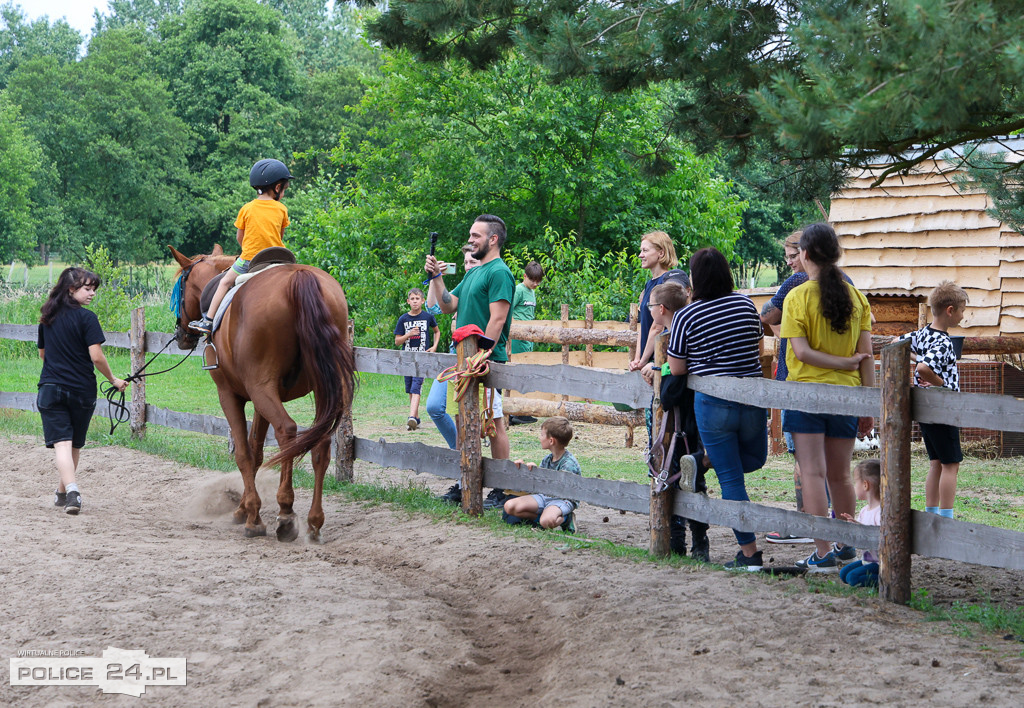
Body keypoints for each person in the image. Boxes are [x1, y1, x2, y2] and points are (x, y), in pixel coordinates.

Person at [780, 222, 875, 573]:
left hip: (807, 395)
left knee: (813, 475)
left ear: (804, 254)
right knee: (840, 476)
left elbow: (801, 354)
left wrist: (840, 362)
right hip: (847, 398)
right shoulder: (858, 298)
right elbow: (867, 359)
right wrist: (869, 404)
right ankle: (847, 546)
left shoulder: (797, 297)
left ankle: (822, 554)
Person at [667, 247, 768, 570]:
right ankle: (748, 550)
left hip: (713, 403)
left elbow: (677, 367)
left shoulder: (686, 315)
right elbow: (760, 347)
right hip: (751, 397)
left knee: (732, 478)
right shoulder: (744, 304)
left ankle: (750, 556)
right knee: (753, 460)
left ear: (695, 279)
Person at [426, 215, 515, 509]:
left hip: (485, 361)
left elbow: (498, 318)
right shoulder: (474, 273)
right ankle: (469, 479)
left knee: (494, 423)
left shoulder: (499, 272)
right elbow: (448, 304)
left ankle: (502, 489)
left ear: (493, 239)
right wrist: (436, 277)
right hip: (466, 360)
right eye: (470, 235)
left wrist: (482, 355)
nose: (470, 240)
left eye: (476, 235)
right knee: (465, 420)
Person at [37, 267, 128, 515]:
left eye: (93, 289)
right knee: (73, 446)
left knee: (64, 445)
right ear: (71, 289)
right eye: (87, 289)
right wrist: (113, 379)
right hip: (81, 390)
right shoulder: (87, 318)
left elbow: (42, 354)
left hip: (50, 389)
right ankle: (73, 491)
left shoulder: (47, 317)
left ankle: (63, 493)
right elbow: (96, 356)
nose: (92, 294)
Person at [641, 281, 710, 562]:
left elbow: (675, 384)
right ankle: (686, 540)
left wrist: (659, 371)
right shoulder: (685, 329)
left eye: (650, 306)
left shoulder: (678, 336)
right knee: (680, 473)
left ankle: (694, 539)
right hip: (685, 418)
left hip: (683, 420)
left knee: (685, 475)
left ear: (661, 308)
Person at [190, 158, 292, 333]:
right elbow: (280, 236)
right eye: (284, 189)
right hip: (278, 259)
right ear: (277, 188)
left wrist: (249, 249)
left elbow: (240, 237)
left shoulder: (246, 209)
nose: (283, 193)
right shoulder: (281, 209)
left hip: (250, 260)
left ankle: (208, 320)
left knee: (224, 282)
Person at [897, 281, 968, 518]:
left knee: (936, 462)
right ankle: (946, 518)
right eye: (962, 310)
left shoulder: (922, 334)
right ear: (950, 310)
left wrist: (919, 357)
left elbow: (896, 343)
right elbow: (924, 369)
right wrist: (943, 385)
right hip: (942, 408)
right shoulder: (944, 341)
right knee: (951, 464)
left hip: (925, 408)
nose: (962, 315)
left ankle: (932, 512)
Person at [426, 245, 478, 454]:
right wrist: (434, 277)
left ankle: (468, 458)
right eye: (465, 263)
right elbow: (433, 307)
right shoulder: (464, 287)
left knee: (480, 419)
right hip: (453, 355)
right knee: (434, 407)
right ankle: (459, 454)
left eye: (472, 262)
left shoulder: (487, 286)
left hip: (476, 359)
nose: (467, 267)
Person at [502, 416, 581, 532]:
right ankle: (542, 517)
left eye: (542, 435)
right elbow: (540, 485)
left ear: (551, 441)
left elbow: (566, 491)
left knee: (546, 521)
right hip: (545, 496)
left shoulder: (568, 464)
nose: (540, 438)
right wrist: (529, 471)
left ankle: (566, 519)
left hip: (562, 499)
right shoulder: (548, 459)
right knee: (510, 507)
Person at [628, 231, 678, 372]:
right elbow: (644, 325)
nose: (640, 255)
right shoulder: (649, 284)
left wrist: (643, 361)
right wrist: (637, 359)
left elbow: (658, 327)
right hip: (647, 361)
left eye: (645, 250)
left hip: (660, 360)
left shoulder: (667, 283)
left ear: (661, 253)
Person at [395, 287, 439, 430]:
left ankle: (411, 417)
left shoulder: (427, 317)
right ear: (408, 301)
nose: (415, 302)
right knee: (410, 388)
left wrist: (434, 346)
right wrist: (408, 334)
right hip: (407, 358)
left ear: (422, 301)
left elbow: (436, 331)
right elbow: (397, 341)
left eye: (417, 299)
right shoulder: (403, 319)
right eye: (412, 299)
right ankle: (417, 418)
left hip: (422, 358)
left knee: (416, 387)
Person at [508, 260, 545, 426]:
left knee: (527, 372)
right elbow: (508, 309)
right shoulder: (519, 290)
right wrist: (517, 329)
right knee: (517, 371)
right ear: (525, 276)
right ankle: (513, 411)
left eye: (538, 281)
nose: (536, 284)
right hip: (517, 337)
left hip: (529, 337)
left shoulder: (532, 291)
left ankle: (523, 409)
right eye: (533, 280)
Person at [838, 458, 882, 588]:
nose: (854, 486)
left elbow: (879, 535)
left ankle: (884, 581)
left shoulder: (880, 512)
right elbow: (864, 530)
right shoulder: (864, 511)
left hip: (879, 562)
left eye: (855, 483)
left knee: (853, 577)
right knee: (843, 573)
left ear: (865, 485)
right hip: (867, 559)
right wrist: (856, 524)